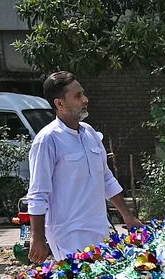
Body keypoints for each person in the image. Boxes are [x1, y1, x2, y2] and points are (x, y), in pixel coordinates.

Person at [26, 71, 143, 264]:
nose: (85, 99)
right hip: (68, 234)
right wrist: (37, 238)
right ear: (59, 103)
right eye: (78, 96)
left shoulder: (90, 133)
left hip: (100, 227)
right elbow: (38, 194)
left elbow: (106, 179)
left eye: (83, 94)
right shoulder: (47, 140)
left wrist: (128, 217)